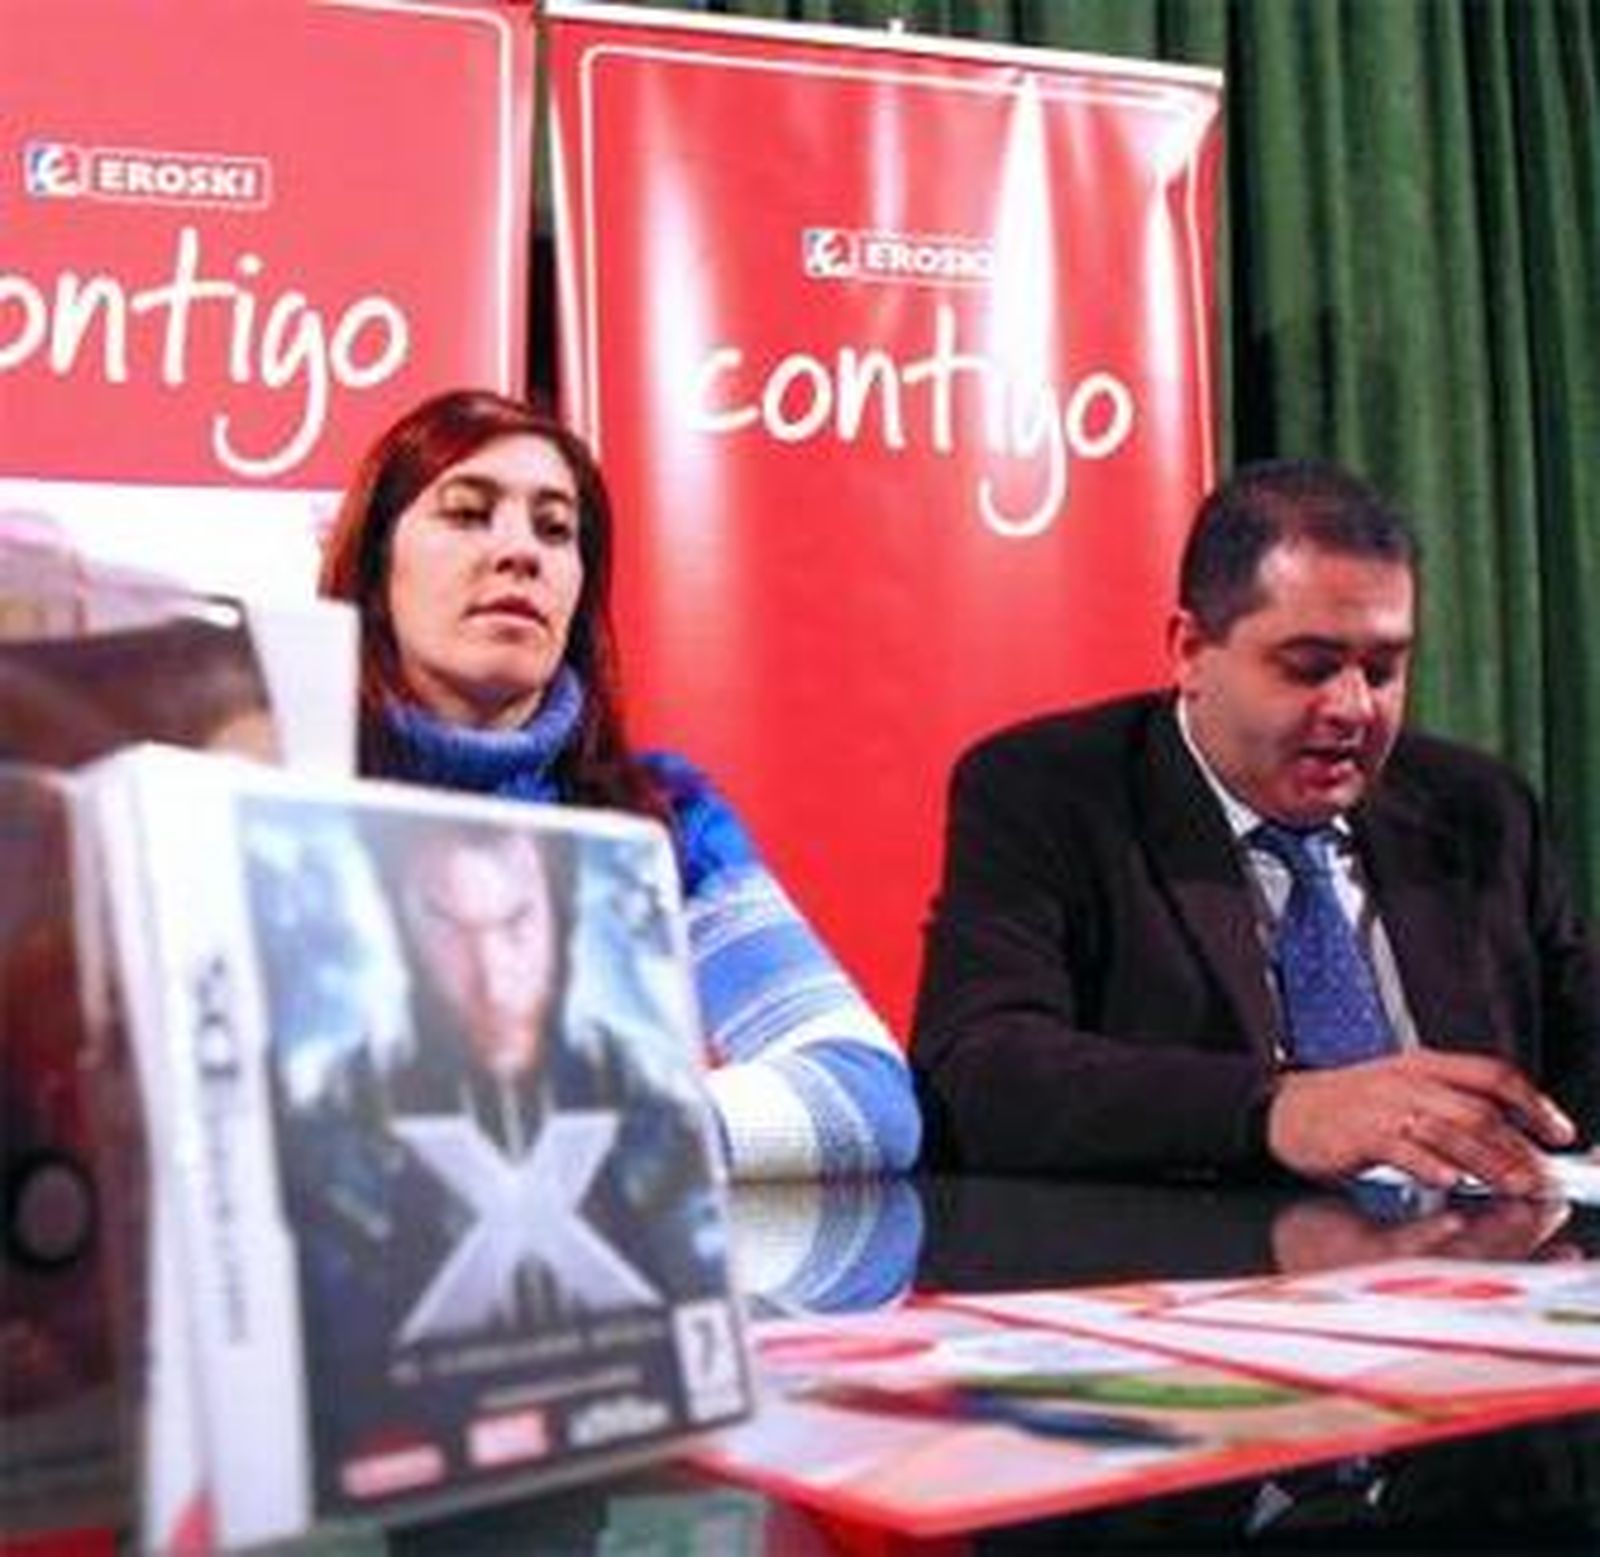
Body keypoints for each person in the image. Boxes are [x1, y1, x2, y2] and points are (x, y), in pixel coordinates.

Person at [912, 459, 1600, 1195]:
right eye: (1309, 667)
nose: (1354, 708)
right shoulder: (1050, 791)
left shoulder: (1479, 808)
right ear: (1190, 652)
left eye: (1382, 670)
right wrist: (1277, 1107)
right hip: (1203, 1253)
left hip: (1475, 1252)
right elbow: (978, 1072)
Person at [319, 388, 919, 1181]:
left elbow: (867, 1094)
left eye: (555, 528)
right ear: (375, 568)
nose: (520, 551)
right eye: (468, 513)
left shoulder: (663, 818)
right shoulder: (277, 797)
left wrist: (607, 1138)